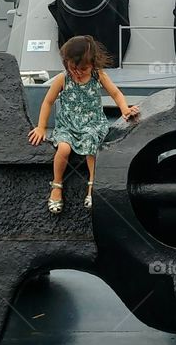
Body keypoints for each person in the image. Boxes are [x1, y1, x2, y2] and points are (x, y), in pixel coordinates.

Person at [28, 35, 139, 213]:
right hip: (68, 125)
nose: (78, 72)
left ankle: (92, 185)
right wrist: (41, 127)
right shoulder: (63, 79)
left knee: (91, 144)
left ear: (93, 64)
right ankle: (57, 185)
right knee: (63, 148)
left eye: (83, 69)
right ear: (67, 64)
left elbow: (115, 93)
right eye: (73, 68)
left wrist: (124, 109)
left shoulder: (98, 75)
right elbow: (48, 102)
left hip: (92, 123)